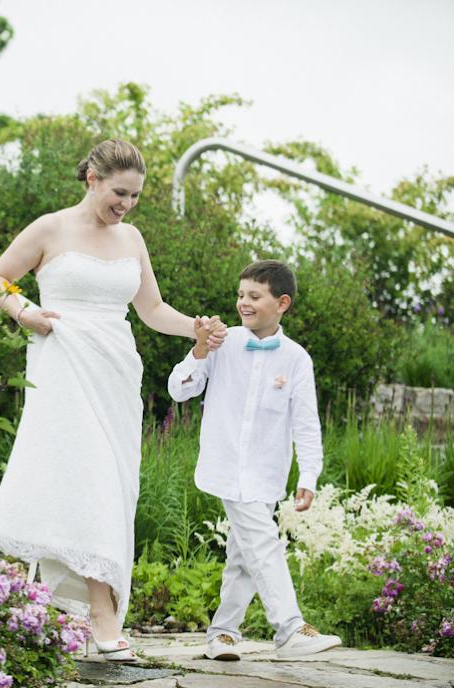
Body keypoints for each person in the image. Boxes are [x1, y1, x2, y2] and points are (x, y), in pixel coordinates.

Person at [0, 139, 227, 662]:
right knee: (81, 478)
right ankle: (99, 613)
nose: (126, 205)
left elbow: (153, 309)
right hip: (63, 364)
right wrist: (24, 313)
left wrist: (197, 331)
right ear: (92, 178)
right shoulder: (50, 228)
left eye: (135, 196)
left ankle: (61, 609)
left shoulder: (132, 237)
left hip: (115, 371)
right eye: (120, 193)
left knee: (111, 487)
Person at [167, 259, 341, 660]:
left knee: (244, 554)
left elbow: (306, 423)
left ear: (282, 303)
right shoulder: (221, 343)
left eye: (254, 296)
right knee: (263, 543)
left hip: (266, 471)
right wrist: (198, 347)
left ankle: (222, 633)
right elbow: (180, 390)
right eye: (240, 295)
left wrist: (309, 475)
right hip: (227, 466)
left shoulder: (296, 359)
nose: (243, 303)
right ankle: (291, 629)